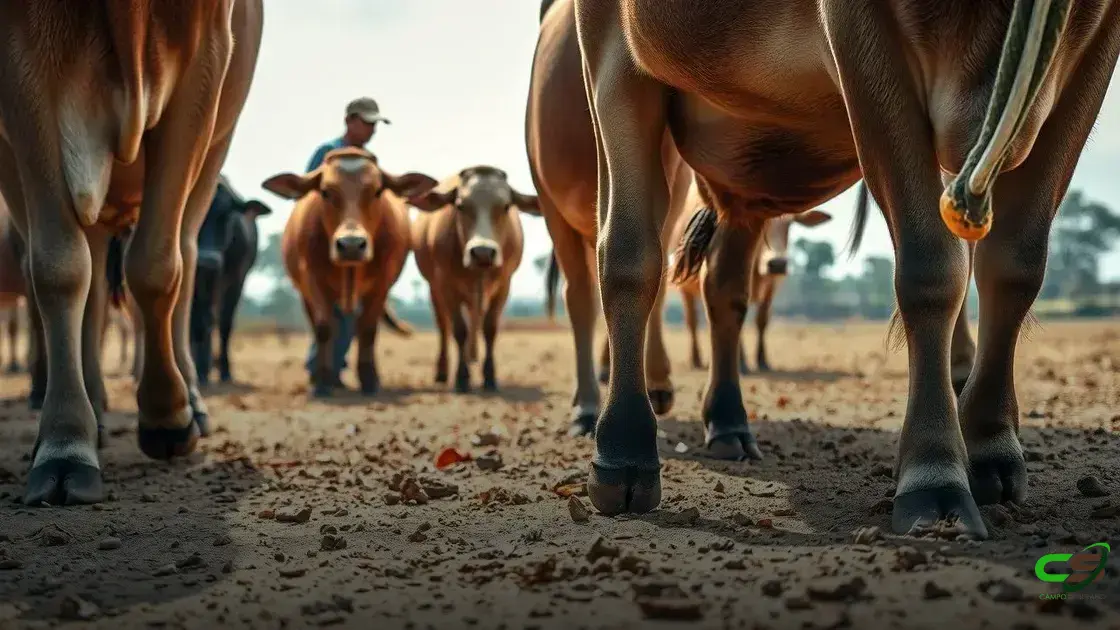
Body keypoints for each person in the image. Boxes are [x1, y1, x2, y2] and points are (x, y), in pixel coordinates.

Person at [304, 97, 391, 387]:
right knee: (328, 314)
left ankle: (327, 365)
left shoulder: (369, 163)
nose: (372, 130)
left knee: (347, 314)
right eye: (366, 123)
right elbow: (306, 196)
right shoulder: (327, 154)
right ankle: (321, 365)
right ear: (349, 121)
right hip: (324, 248)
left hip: (355, 249)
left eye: (374, 125)